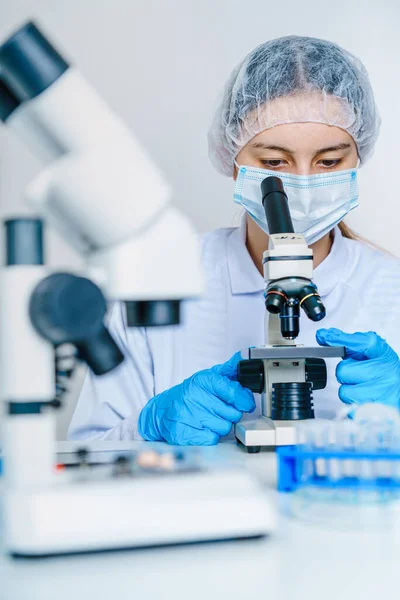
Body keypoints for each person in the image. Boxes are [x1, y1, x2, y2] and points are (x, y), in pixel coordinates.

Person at [69, 36, 400, 444]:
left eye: (329, 161)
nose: (302, 182)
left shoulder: (391, 288)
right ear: (233, 161)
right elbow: (84, 458)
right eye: (274, 161)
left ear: (358, 158)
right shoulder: (159, 281)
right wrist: (146, 428)